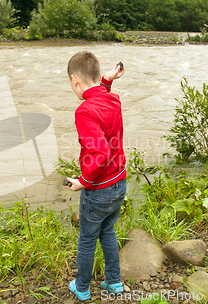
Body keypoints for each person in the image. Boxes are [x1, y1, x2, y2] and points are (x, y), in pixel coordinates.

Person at [65, 51, 126, 301]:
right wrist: (107, 80)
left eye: (72, 84)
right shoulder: (113, 100)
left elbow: (99, 153)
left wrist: (83, 182)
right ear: (97, 76)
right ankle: (114, 282)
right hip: (119, 183)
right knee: (108, 232)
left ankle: (81, 288)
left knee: (87, 239)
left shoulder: (84, 111)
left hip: (99, 189)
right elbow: (103, 96)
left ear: (74, 80)